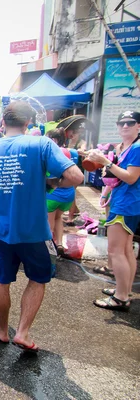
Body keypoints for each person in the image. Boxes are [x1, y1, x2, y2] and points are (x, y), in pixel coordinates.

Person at [0, 101, 83, 352]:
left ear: (2, 123)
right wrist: (48, 183)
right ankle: (22, 332)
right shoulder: (41, 144)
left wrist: (0, 189)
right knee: (38, 279)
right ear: (28, 123)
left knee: (1, 280)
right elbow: (76, 177)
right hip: (34, 232)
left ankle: (1, 329)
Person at [87, 111, 140, 311]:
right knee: (126, 250)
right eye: (122, 123)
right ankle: (123, 289)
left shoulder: (136, 148)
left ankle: (121, 296)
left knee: (116, 251)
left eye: (130, 123)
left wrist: (106, 163)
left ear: (139, 126)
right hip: (125, 202)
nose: (125, 126)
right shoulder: (126, 148)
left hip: (126, 204)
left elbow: (131, 177)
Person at [46, 129, 79, 255]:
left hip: (53, 195)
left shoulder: (54, 153)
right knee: (59, 218)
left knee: (48, 224)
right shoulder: (71, 153)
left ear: (53, 139)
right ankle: (59, 244)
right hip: (68, 195)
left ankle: (49, 252)